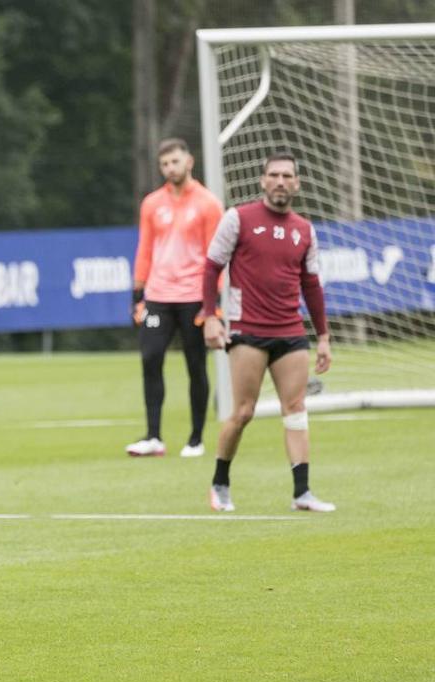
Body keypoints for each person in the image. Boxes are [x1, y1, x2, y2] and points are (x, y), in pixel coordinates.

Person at [201, 150, 335, 513]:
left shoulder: (305, 229)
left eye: (287, 176)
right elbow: (212, 266)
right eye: (273, 175)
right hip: (248, 331)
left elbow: (312, 285)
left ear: (297, 183)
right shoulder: (238, 219)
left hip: (290, 332)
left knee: (296, 409)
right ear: (263, 181)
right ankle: (220, 483)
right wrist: (209, 316)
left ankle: (302, 493)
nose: (280, 181)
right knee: (243, 412)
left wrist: (322, 337)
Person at [126, 138, 223, 458]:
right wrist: (137, 293)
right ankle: (153, 436)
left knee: (196, 364)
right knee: (150, 358)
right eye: (165, 164)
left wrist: (214, 305)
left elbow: (216, 256)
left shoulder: (208, 203)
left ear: (189, 162)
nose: (170, 169)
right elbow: (145, 249)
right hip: (158, 294)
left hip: (194, 295)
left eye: (175, 162)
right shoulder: (152, 203)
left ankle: (196, 438)